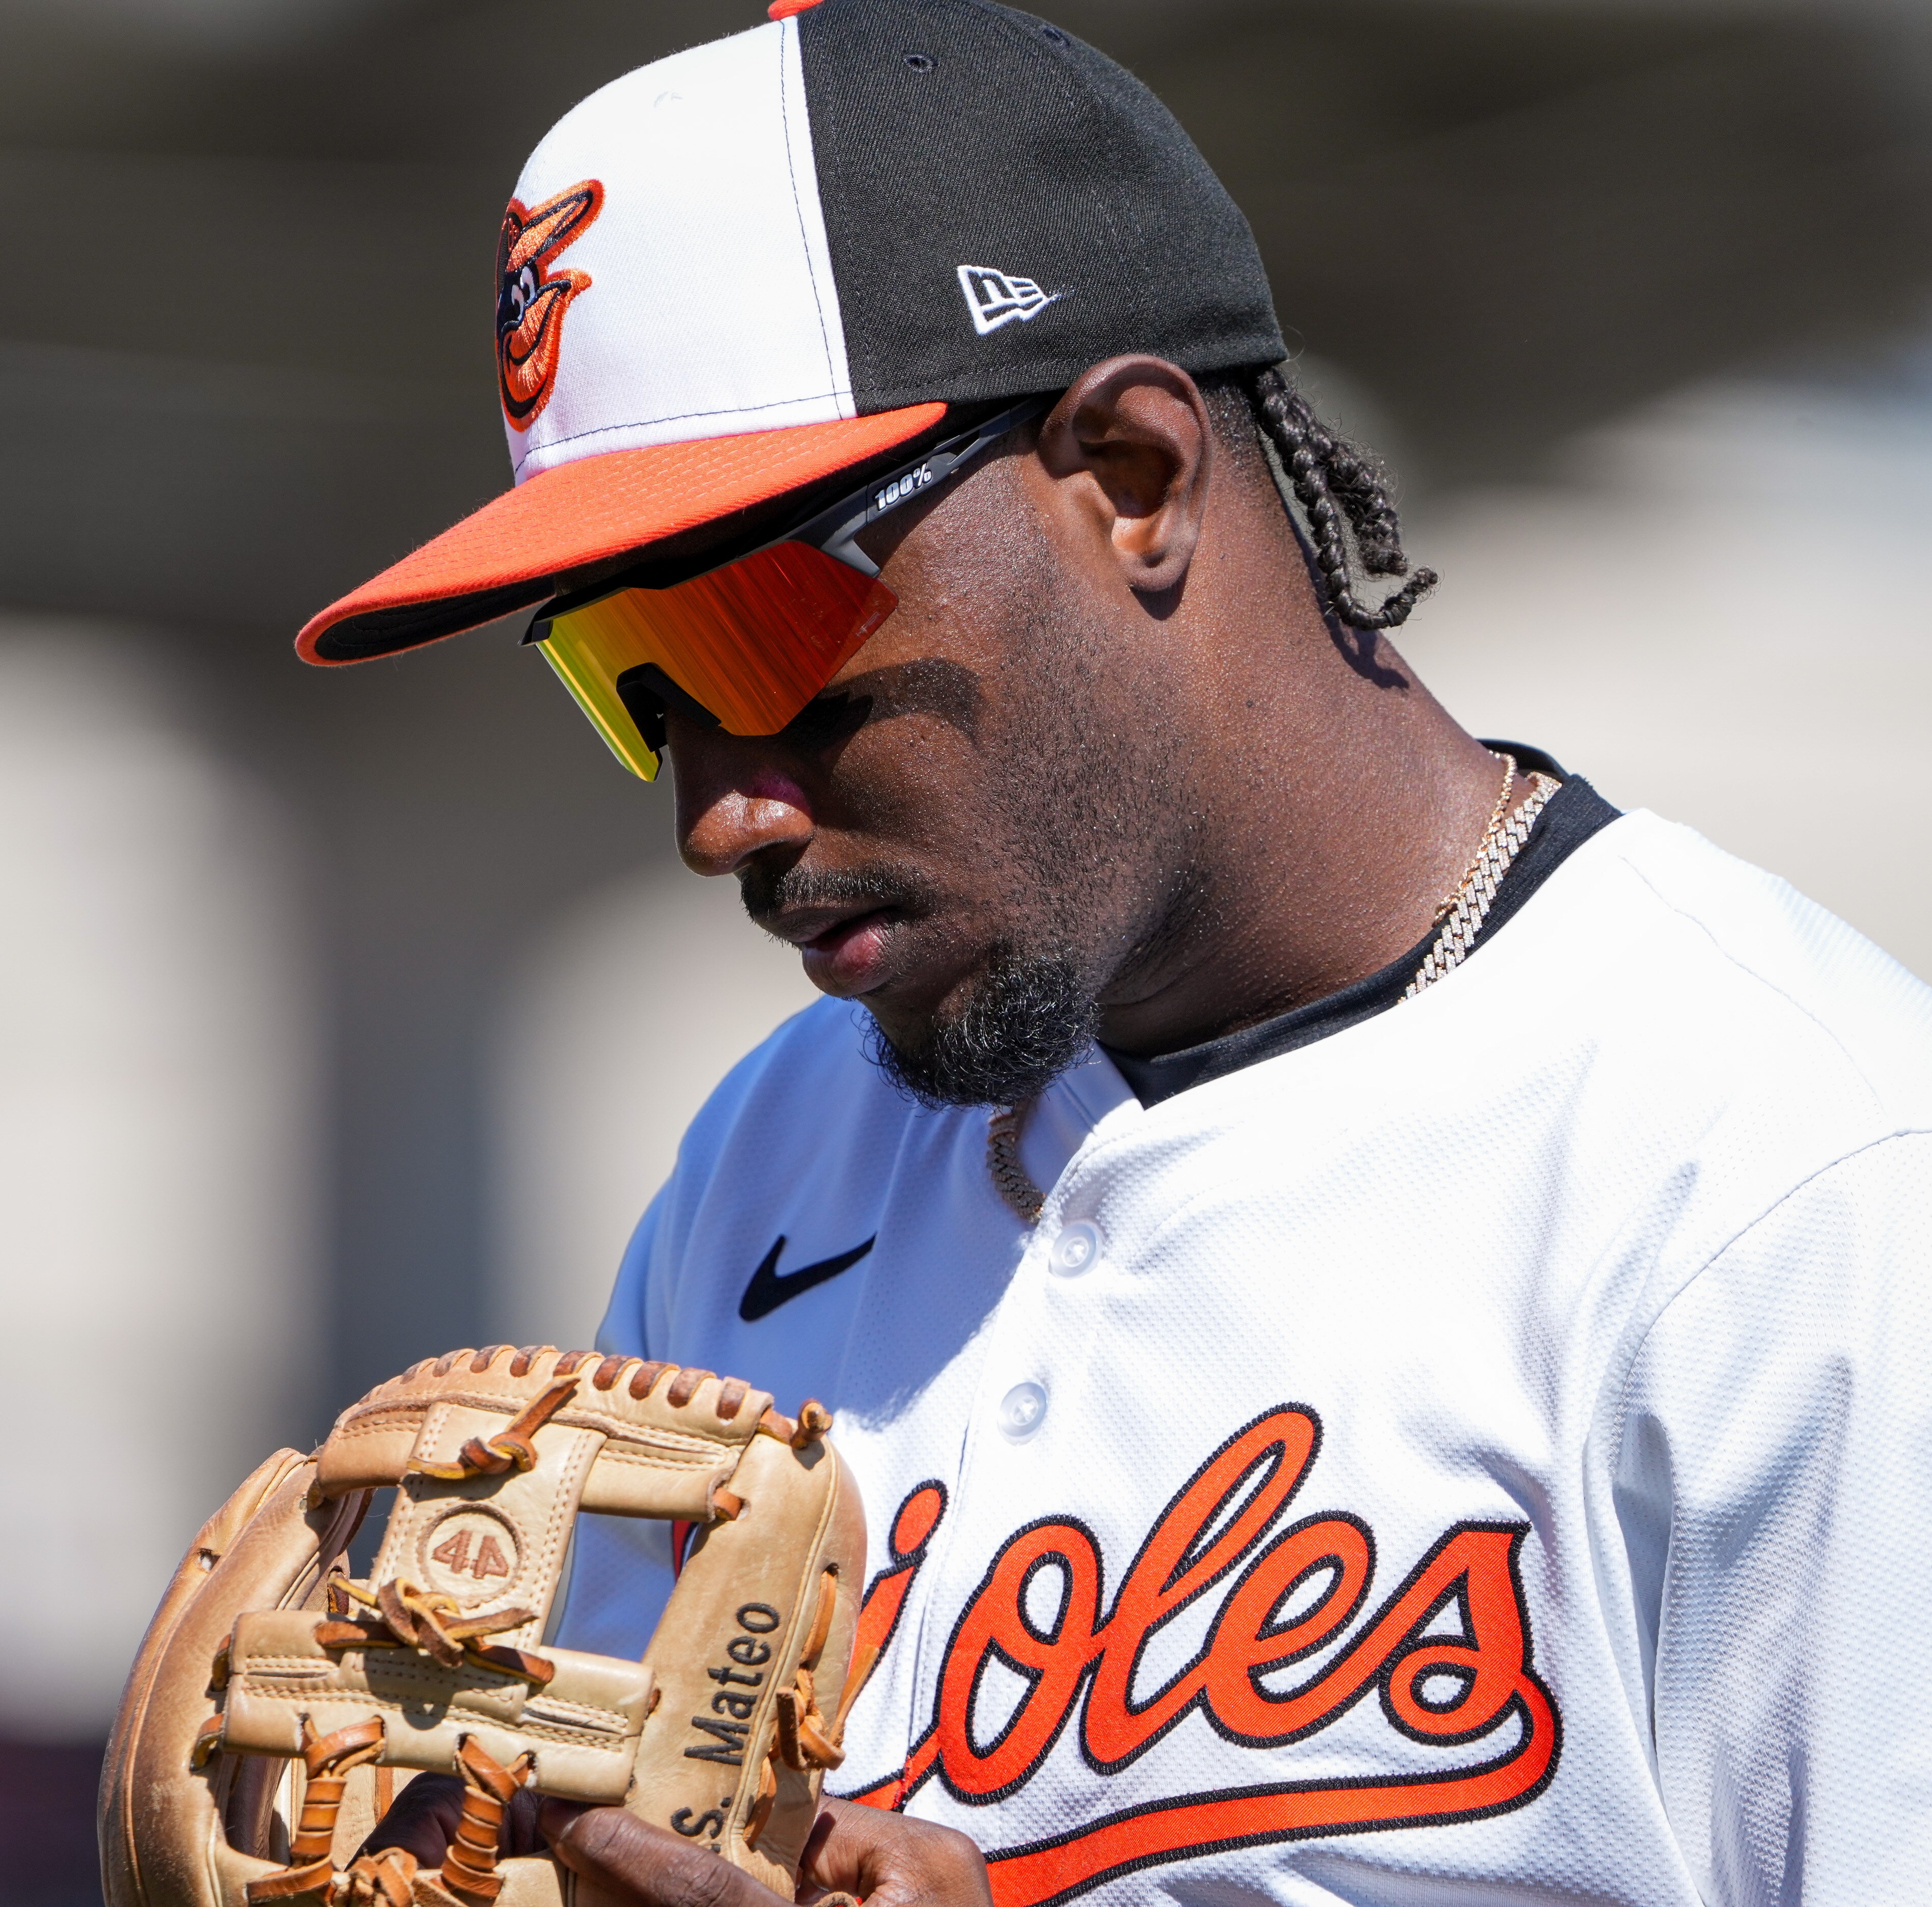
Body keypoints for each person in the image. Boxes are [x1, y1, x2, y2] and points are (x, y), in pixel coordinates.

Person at [301, 3, 1932, 1902]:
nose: (718, 814)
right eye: (627, 685)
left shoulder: (1799, 1200)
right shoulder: (770, 1151)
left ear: (1134, 473)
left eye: (751, 635)